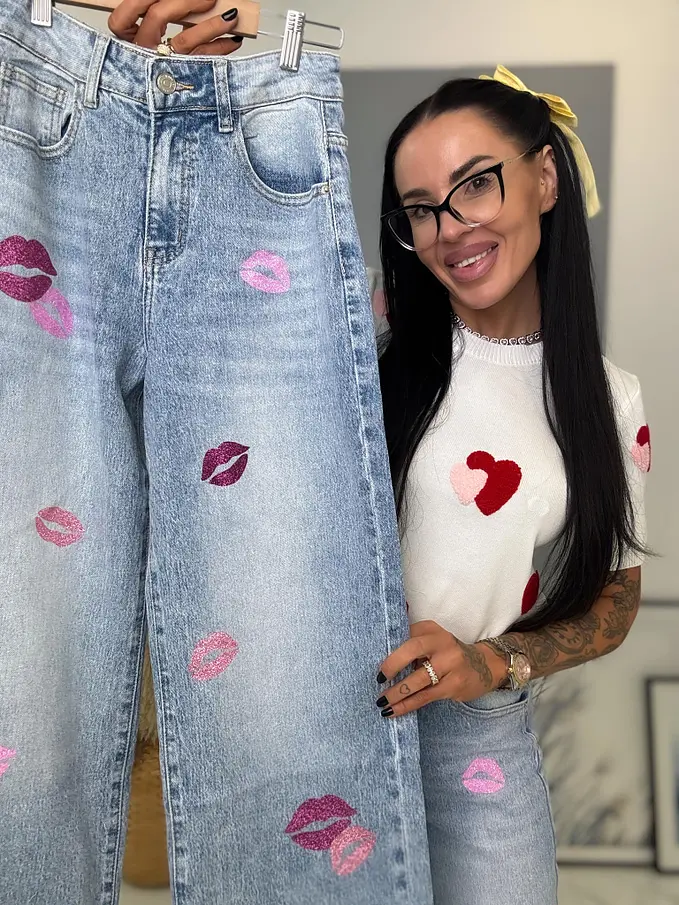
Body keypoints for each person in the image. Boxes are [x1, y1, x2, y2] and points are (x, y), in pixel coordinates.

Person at [108, 7, 649, 904]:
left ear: (544, 177)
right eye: (419, 210)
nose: (450, 228)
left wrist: (493, 661)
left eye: (475, 185)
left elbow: (615, 601)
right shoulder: (357, 328)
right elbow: (183, 289)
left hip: (480, 744)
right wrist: (180, 95)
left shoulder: (608, 398)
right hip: (317, 726)